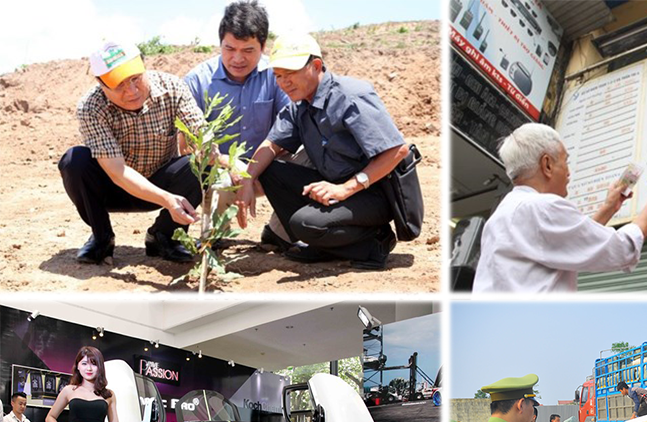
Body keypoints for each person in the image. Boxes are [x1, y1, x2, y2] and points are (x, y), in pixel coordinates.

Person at [236, 33, 410, 270]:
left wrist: (344, 189)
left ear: (315, 66)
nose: (284, 82)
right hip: (333, 185)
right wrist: (248, 179)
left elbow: (397, 150)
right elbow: (272, 144)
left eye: (290, 73)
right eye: (278, 76)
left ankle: (374, 242)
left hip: (371, 193)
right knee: (269, 170)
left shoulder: (350, 96)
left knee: (304, 224)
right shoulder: (299, 104)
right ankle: (322, 245)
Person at [59, 40, 214, 264]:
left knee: (201, 164)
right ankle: (102, 238)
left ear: (143, 66)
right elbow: (117, 171)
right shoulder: (91, 107)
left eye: (135, 78)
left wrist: (227, 165)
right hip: (113, 187)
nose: (131, 91)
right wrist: (167, 200)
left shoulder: (172, 87)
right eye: (119, 84)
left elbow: (202, 138)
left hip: (161, 180)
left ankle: (164, 236)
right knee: (74, 161)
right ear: (101, 83)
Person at [472, 123, 647, 292]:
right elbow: (623, 248)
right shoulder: (542, 208)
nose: (569, 172)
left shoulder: (504, 214)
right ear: (547, 165)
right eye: (565, 161)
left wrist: (609, 207)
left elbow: (572, 242)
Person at [184, 0, 293, 250]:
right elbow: (189, 144)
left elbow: (290, 129)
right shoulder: (197, 81)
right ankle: (215, 234)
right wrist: (230, 164)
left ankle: (281, 232)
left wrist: (251, 171)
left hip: (266, 167)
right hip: (219, 169)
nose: (237, 58)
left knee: (311, 158)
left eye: (248, 50)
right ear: (220, 42)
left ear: (263, 47)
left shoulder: (277, 76)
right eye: (229, 48)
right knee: (220, 184)